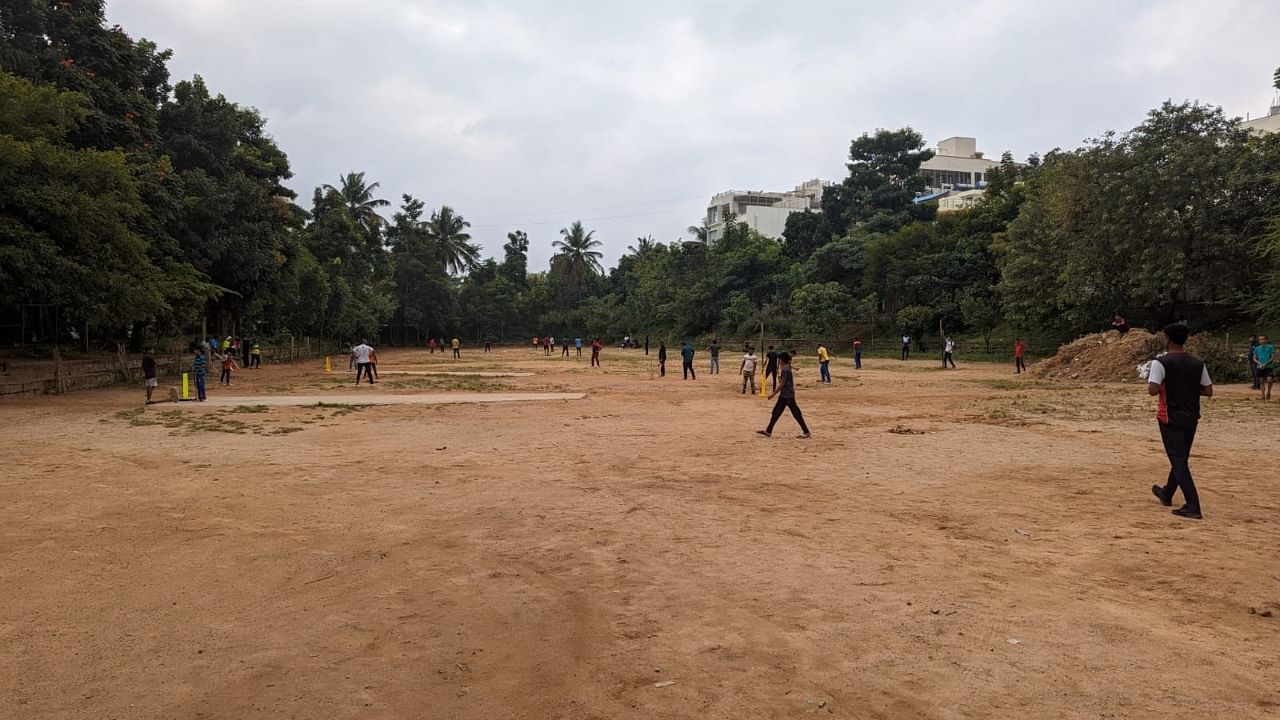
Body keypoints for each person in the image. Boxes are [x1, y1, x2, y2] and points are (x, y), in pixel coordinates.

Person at [1148, 323, 1213, 520]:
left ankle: (1193, 504)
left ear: (1167, 337)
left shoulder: (1161, 362)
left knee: (1178, 459)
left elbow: (1152, 389)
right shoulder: (1197, 363)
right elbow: (1208, 390)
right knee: (1181, 457)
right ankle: (1167, 493)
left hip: (1169, 416)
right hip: (1192, 416)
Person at [757, 352, 811, 439]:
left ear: (781, 360)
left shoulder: (785, 370)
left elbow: (782, 385)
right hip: (785, 395)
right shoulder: (786, 369)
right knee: (776, 412)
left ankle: (806, 431)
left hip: (787, 396)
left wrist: (773, 395)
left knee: (795, 413)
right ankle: (768, 430)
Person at [1254, 334, 1275, 401]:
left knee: (1269, 379)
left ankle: (1268, 392)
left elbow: (1272, 357)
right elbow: (1254, 358)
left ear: (1266, 340)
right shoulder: (1257, 348)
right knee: (1261, 381)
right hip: (1259, 366)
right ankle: (1262, 396)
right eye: (1260, 339)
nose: (1261, 340)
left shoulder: (1270, 347)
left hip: (1268, 366)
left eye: (1262, 339)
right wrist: (1260, 364)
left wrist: (1265, 364)